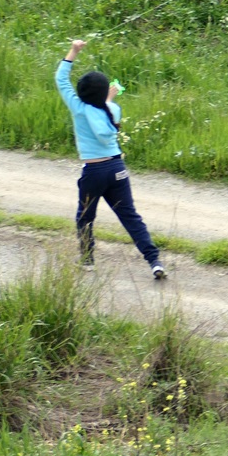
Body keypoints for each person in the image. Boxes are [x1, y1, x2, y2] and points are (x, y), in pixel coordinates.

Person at [56, 39, 165, 280]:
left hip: (94, 172)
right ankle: (154, 261)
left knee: (85, 218)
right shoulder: (112, 110)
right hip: (117, 169)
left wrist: (73, 51)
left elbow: (61, 80)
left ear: (83, 93)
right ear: (105, 92)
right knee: (130, 217)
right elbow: (104, 109)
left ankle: (87, 261)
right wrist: (109, 99)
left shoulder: (79, 108)